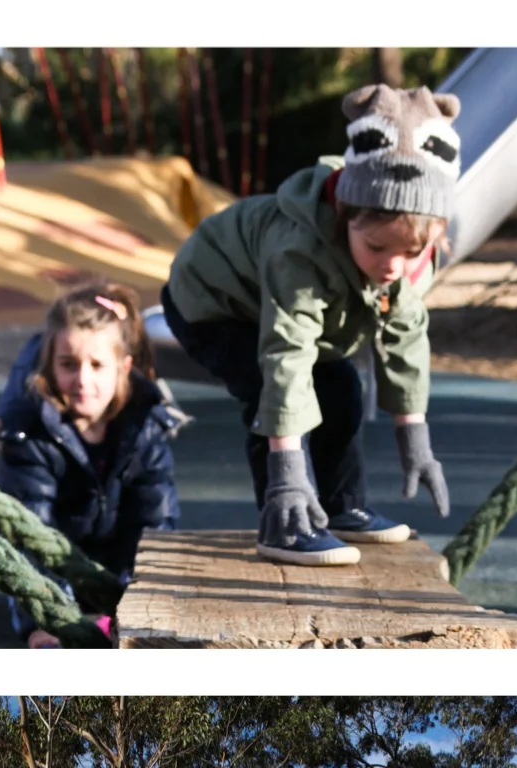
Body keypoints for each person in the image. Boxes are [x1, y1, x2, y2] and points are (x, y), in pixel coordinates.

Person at [161, 83, 457, 566]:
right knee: (267, 388)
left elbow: (405, 339)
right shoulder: (299, 250)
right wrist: (289, 474)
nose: (392, 266)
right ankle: (284, 522)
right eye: (377, 248)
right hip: (211, 299)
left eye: (410, 251)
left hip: (263, 304)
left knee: (339, 382)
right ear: (346, 218)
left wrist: (415, 439)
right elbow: (286, 356)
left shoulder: (405, 258)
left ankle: (343, 507)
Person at [0, 281, 184, 648]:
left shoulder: (145, 427)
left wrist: (132, 596)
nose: (82, 380)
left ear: (123, 368)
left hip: (114, 570)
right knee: (50, 631)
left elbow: (155, 522)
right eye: (68, 364)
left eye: (97, 365)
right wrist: (49, 617)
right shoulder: (29, 433)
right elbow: (29, 534)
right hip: (51, 573)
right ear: (49, 364)